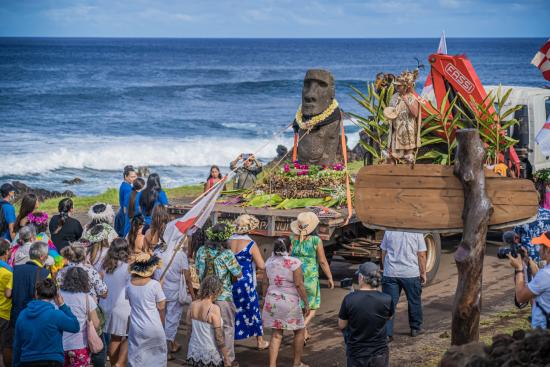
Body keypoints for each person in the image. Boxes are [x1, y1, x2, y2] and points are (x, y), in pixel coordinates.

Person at [195, 223, 242, 366]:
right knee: (227, 328)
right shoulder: (227, 254)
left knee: (208, 328)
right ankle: (227, 359)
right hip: (223, 297)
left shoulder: (201, 251)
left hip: (204, 298)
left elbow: (198, 272)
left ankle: (211, 358)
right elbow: (238, 273)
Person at [151, 208, 195, 359]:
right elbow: (188, 278)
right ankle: (167, 350)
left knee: (161, 319)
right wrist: (193, 294)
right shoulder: (180, 255)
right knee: (172, 320)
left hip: (160, 291)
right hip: (174, 292)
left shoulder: (157, 252)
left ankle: (170, 345)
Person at [262, 237, 309, 367]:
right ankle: (297, 363)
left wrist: (264, 299)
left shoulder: (269, 262)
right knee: (299, 330)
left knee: (276, 334)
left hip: (272, 300)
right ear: (290, 248)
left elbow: (265, 282)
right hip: (290, 302)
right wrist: (306, 302)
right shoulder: (295, 262)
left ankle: (272, 365)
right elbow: (299, 284)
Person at [13, 278, 79, 367]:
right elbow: (75, 326)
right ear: (55, 296)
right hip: (53, 360)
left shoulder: (23, 315)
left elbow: (17, 344)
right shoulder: (56, 315)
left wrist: (16, 364)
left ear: (36, 294)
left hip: (27, 360)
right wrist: (62, 305)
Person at [289, 212, 334, 342]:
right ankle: (301, 328)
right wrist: (329, 277)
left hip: (295, 276)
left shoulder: (293, 238)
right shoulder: (316, 240)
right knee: (312, 308)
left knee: (301, 305)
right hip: (310, 278)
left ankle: (304, 333)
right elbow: (323, 261)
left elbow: (289, 257)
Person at [338, 262, 393, 367]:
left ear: (361, 277)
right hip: (379, 352)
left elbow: (341, 325)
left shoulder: (350, 299)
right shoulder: (386, 299)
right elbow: (389, 317)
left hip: (357, 353)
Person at [228, 215, 268, 350]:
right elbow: (262, 265)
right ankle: (260, 341)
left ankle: (230, 340)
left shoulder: (228, 242)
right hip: (245, 282)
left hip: (230, 279)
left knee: (231, 309)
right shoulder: (251, 244)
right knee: (252, 308)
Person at [380, 230, 427, 338]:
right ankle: (415, 328)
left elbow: (383, 252)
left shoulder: (389, 231)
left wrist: (385, 268)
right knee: (414, 301)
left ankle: (387, 334)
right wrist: (423, 272)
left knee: (389, 303)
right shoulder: (417, 232)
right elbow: (421, 255)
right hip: (410, 274)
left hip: (391, 273)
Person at [126, 253, 167, 367]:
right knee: (157, 359)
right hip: (153, 326)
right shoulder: (155, 285)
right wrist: (160, 286)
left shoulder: (129, 285)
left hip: (136, 327)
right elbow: (161, 306)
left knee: (137, 358)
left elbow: (131, 303)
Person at [59, 267, 101, 367]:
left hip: (60, 346)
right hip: (80, 346)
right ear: (84, 280)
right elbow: (96, 323)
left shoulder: (58, 296)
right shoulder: (87, 298)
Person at [186, 276, 231, 367]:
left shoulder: (192, 305)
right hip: (210, 355)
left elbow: (189, 331)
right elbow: (219, 338)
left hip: (193, 352)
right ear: (215, 291)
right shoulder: (214, 309)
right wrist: (226, 358)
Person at [509, 231, 550, 329]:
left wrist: (519, 269)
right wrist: (526, 259)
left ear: (547, 250)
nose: (539, 249)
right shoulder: (545, 273)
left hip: (542, 335)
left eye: (541, 246)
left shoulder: (545, 274)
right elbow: (542, 284)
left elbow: (520, 297)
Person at [100, 238, 131, 367]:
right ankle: (118, 364)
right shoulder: (127, 268)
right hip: (122, 307)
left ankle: (115, 364)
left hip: (106, 305)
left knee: (115, 338)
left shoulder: (106, 265)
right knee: (129, 338)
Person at [10, 241, 50, 328]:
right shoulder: (46, 274)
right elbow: (47, 299)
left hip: (16, 317)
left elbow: (8, 293)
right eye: (47, 255)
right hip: (34, 318)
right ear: (42, 257)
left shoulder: (16, 269)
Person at [384, 70, 421, 164]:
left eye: (399, 85)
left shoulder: (412, 98)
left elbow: (415, 114)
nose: (397, 87)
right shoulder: (394, 97)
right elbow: (391, 111)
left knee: (408, 158)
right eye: (397, 85)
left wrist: (406, 100)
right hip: (396, 132)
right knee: (391, 157)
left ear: (406, 86)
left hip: (408, 133)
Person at [0, 239, 13, 367]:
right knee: (5, 346)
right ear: (6, 252)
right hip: (4, 313)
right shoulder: (9, 271)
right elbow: (9, 293)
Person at [115, 165, 137, 237]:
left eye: (135, 176)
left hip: (121, 213)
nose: (134, 178)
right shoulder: (128, 188)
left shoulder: (124, 185)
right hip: (125, 214)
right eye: (132, 177)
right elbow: (125, 206)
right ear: (126, 176)